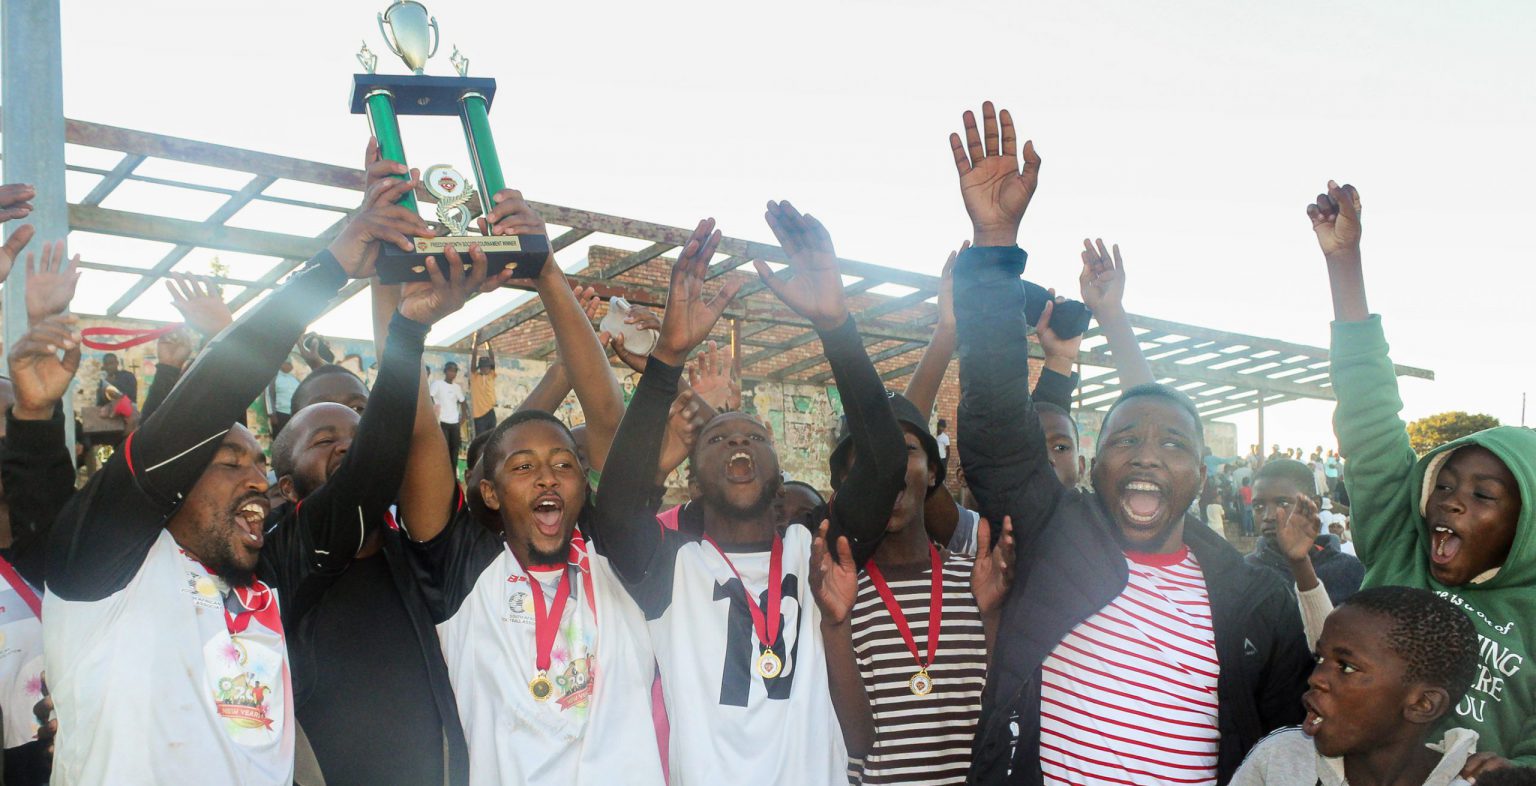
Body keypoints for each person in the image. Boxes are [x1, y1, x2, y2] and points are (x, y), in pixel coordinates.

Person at [946, 101, 1309, 785]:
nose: (1146, 453)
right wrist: (994, 243)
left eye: (1173, 445)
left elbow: (1284, 747)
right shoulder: (1055, 537)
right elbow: (995, 426)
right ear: (1094, 464)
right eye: (1125, 439)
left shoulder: (1256, 600)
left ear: (1202, 477)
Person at [42, 172, 423, 784]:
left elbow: (366, 481)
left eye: (257, 462)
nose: (254, 478)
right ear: (172, 481)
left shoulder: (271, 579)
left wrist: (409, 332)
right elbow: (205, 401)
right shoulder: (106, 568)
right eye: (227, 460)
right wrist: (327, 269)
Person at [592, 203, 907, 784]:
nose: (738, 441)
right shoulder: (669, 565)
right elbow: (612, 513)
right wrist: (666, 360)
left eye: (754, 436)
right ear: (691, 476)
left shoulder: (814, 551)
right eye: (718, 437)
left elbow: (886, 465)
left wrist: (837, 326)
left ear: (778, 471)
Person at [394, 188, 638, 785]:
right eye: (523, 467)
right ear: (490, 492)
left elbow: (609, 421)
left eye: (563, 463)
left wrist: (546, 269)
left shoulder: (621, 559)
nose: (549, 475)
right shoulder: (462, 568)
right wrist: (405, 328)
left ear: (586, 483)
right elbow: (421, 438)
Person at [1310, 180, 1536, 765]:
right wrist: (1344, 264)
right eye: (1446, 484)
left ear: (1526, 526)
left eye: (1484, 494)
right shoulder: (1399, 545)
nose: (1451, 502)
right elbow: (1369, 417)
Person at [836, 389, 1012, 784]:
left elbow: (1004, 708)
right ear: (847, 480)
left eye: (906, 450)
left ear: (933, 471)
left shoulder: (979, 580)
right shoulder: (837, 595)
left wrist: (994, 615)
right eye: (868, 455)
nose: (888, 466)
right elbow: (851, 741)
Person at [1230, 587, 1483, 786]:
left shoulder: (1474, 780)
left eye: (1347, 667)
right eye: (1319, 659)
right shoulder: (1280, 759)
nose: (1315, 678)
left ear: (1423, 704)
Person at [1246, 459, 1364, 605]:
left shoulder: (1349, 571)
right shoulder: (1242, 574)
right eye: (1258, 506)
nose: (1268, 516)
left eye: (1283, 503)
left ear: (1314, 505)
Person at [431, 361, 468, 470]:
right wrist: (435, 413)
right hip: (442, 422)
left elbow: (463, 401)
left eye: (455, 371)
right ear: (445, 371)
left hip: (454, 423)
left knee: (454, 450)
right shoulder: (437, 384)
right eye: (450, 370)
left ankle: (453, 475)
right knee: (443, 449)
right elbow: (430, 397)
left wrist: (464, 417)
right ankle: (442, 473)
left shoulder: (456, 387)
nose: (452, 373)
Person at [469, 342, 498, 437]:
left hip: (490, 412)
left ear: (490, 368)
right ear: (480, 368)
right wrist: (475, 341)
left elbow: (492, 357)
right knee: (481, 440)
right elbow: (473, 360)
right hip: (479, 416)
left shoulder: (491, 375)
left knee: (492, 438)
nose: (485, 368)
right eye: (483, 367)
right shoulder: (475, 377)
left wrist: (488, 342)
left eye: (487, 366)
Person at [267, 357, 300, 436]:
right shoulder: (274, 378)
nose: (291, 366)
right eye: (288, 364)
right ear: (282, 364)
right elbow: (269, 396)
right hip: (280, 414)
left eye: (291, 365)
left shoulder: (294, 378)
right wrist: (272, 414)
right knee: (280, 437)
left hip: (294, 414)